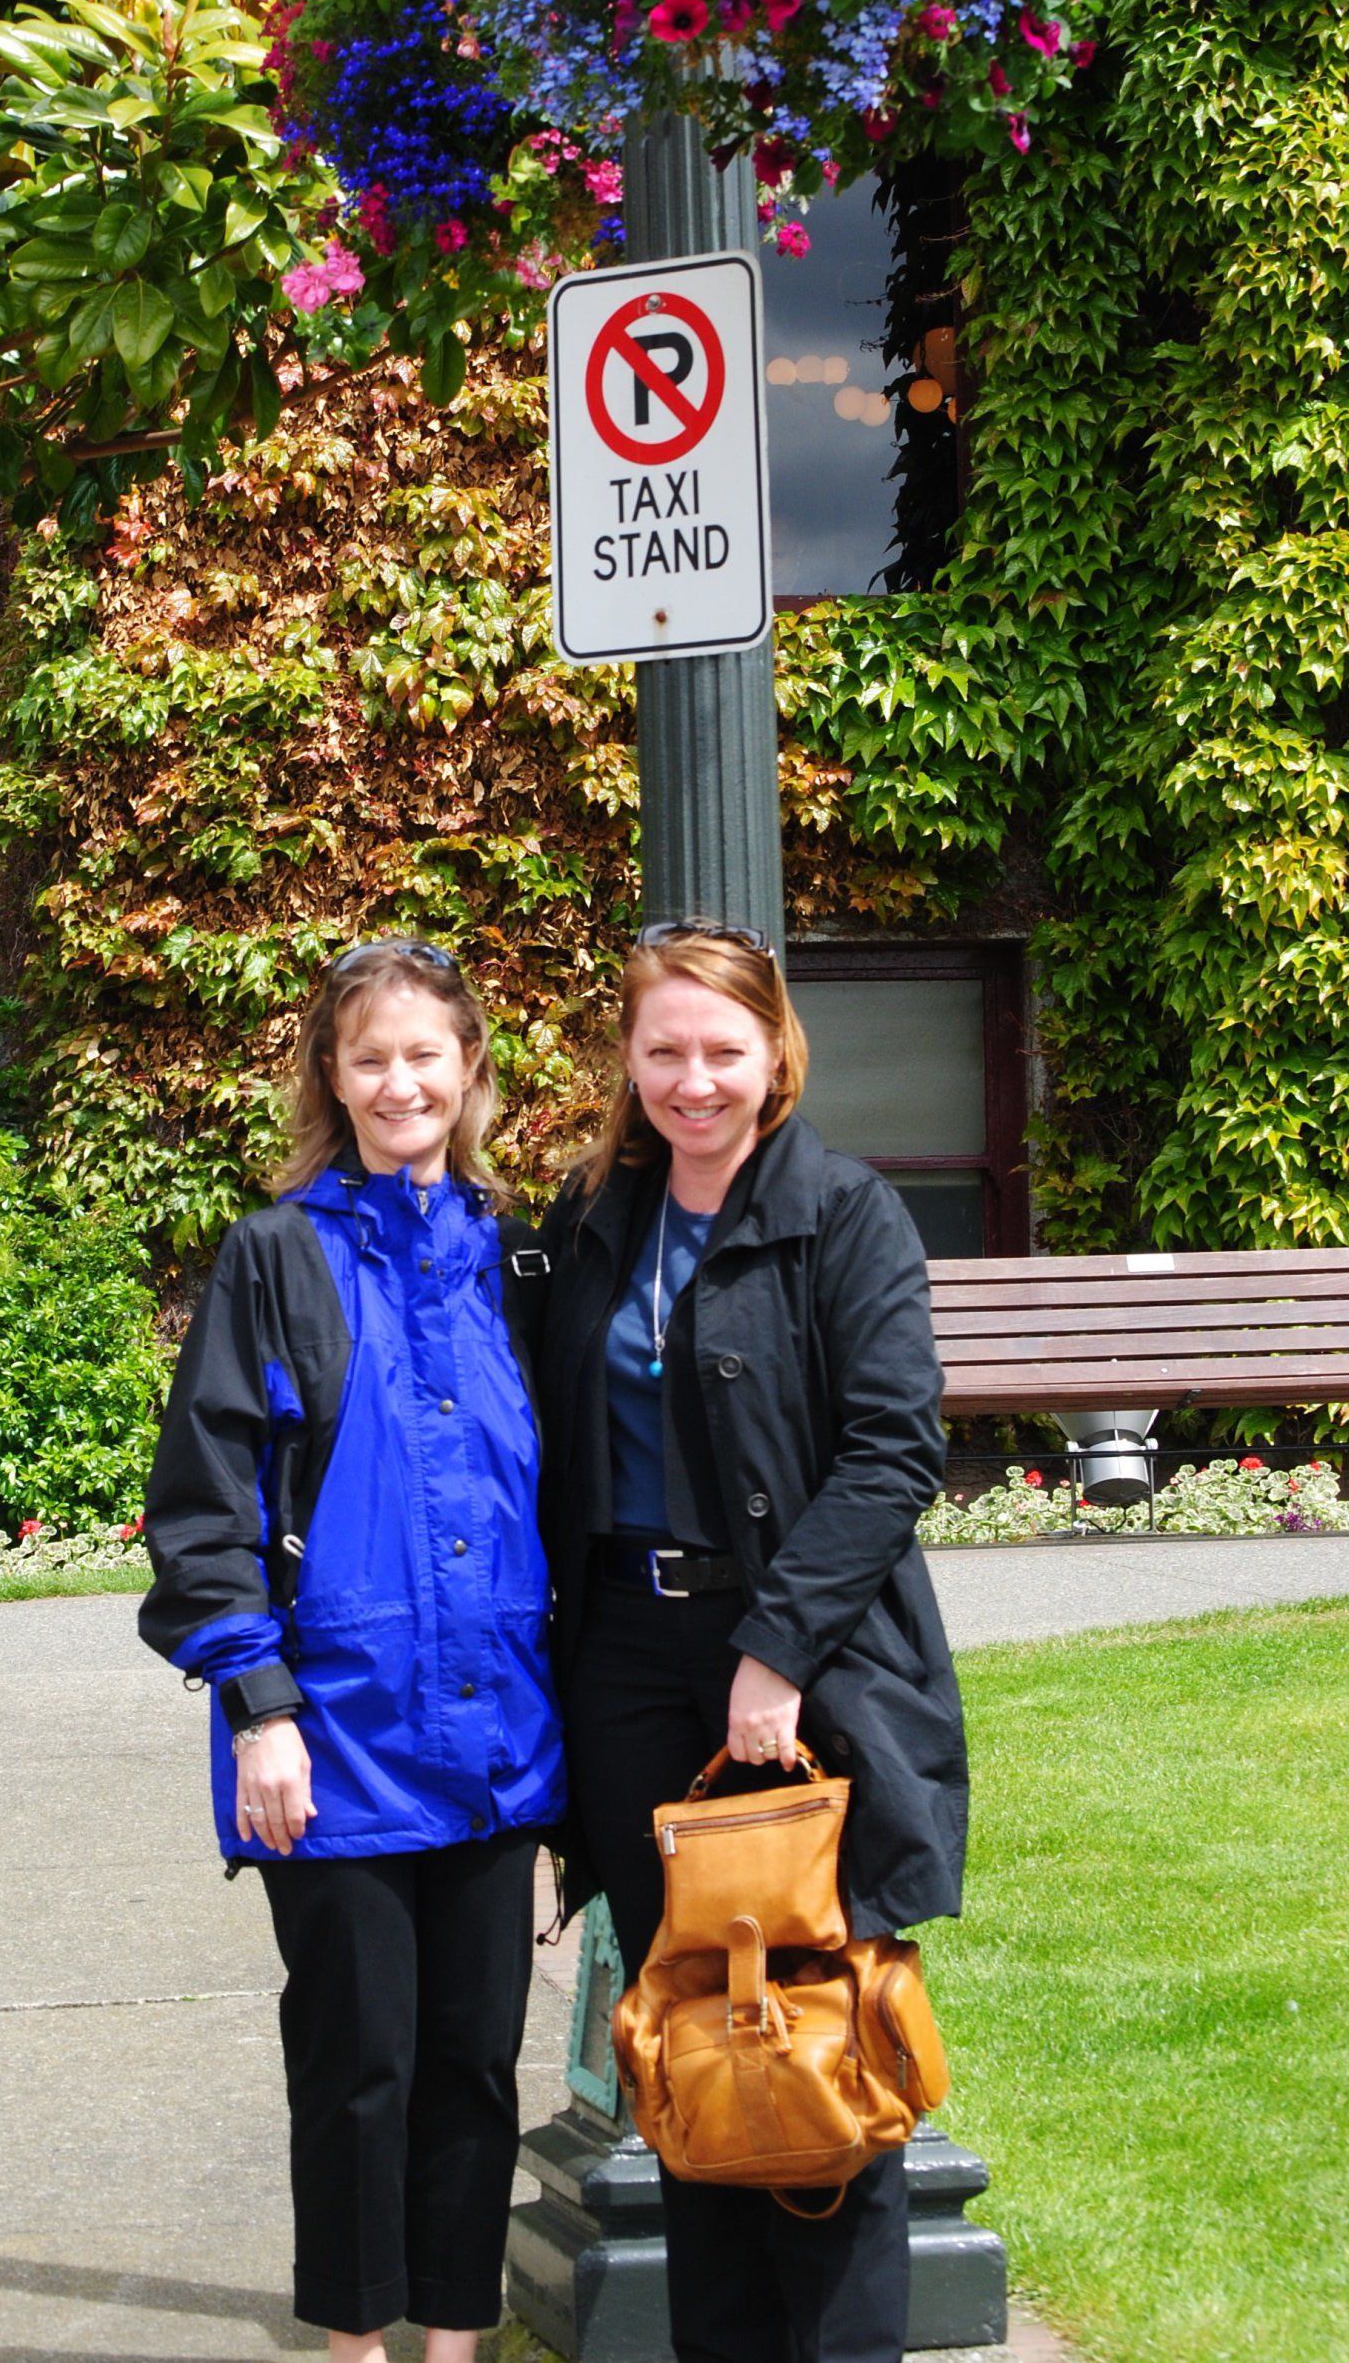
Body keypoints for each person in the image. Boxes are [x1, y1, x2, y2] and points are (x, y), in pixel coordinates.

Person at [533, 920, 968, 2363]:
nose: (694, 1079)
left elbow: (895, 1451)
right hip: (630, 1669)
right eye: (665, 1050)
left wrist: (773, 1653)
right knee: (687, 2047)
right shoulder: (594, 1216)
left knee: (819, 2035)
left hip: (801, 1670)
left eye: (723, 1049)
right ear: (630, 1057)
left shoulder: (844, 1211)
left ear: (777, 1051)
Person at [139, 938, 564, 2363]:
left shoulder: (524, 1251)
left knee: (471, 2066)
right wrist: (259, 1706)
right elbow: (206, 1505)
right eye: (369, 1057)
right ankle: (355, 2344)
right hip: (333, 1735)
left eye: (424, 1055)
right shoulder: (273, 1257)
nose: (400, 1083)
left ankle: (457, 2336)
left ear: (469, 1069)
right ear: (333, 1074)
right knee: (357, 2067)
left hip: (499, 1733)